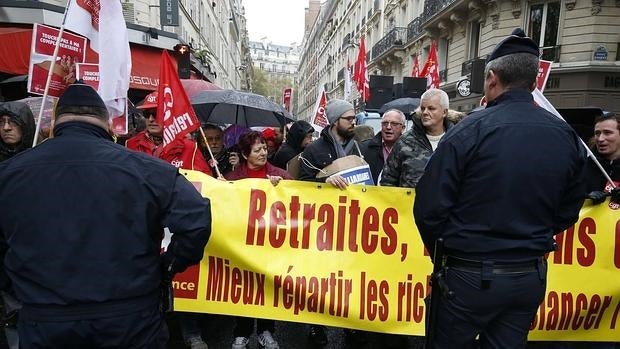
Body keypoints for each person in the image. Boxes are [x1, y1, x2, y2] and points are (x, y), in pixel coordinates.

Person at [0, 81, 212, 348]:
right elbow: (196, 219)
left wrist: (16, 284)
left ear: (55, 124)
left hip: (46, 321)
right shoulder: (148, 171)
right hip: (130, 322)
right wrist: (166, 267)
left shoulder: (9, 175)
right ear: (108, 124)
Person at [413, 28, 587, 349]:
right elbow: (569, 208)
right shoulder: (566, 136)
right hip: (527, 277)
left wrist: (445, 253)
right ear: (533, 82)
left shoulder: (469, 131)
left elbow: (429, 207)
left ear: (492, 79)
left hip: (467, 276)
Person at [226, 130, 288, 349]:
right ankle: (241, 333)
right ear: (245, 154)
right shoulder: (233, 178)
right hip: (243, 245)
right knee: (244, 289)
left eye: (264, 148)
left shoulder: (280, 175)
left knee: (266, 290)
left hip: (270, 245)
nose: (263, 153)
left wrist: (282, 189)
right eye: (257, 150)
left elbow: (297, 202)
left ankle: (265, 330)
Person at [0, 101, 36, 349]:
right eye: (1, 123)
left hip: (29, 246)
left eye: (12, 122)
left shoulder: (37, 159)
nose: (6, 128)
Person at [380, 88, 454, 188]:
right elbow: (388, 180)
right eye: (423, 108)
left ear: (444, 112)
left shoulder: (456, 140)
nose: (425, 112)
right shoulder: (405, 141)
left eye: (431, 108)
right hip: (408, 203)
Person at [126, 91, 212, 175]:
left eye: (156, 114)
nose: (151, 119)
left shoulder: (189, 148)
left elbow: (204, 183)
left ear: (170, 114)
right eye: (147, 114)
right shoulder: (131, 144)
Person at [299, 99, 359, 190]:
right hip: (326, 202)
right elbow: (303, 184)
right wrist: (325, 181)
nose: (353, 122)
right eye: (348, 119)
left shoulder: (359, 146)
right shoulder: (313, 149)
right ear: (335, 121)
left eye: (354, 118)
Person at [359, 108, 406, 184]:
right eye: (385, 123)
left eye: (394, 124)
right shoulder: (364, 148)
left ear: (403, 128)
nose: (388, 127)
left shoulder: (411, 150)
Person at [585, 112, 620, 204]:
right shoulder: (584, 165)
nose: (600, 139)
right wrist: (586, 196)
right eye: (597, 133)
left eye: (607, 133)